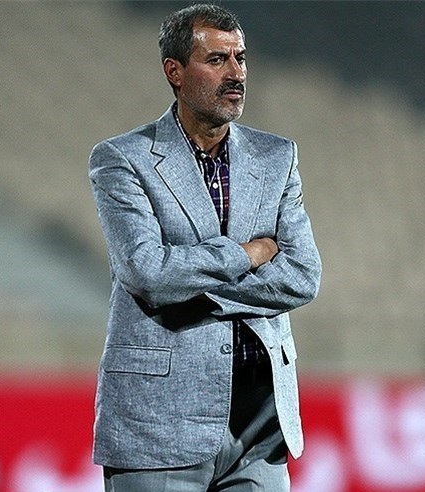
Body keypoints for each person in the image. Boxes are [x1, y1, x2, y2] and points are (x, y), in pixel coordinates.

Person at [88, 4, 321, 491]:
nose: (236, 73)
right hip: (158, 428)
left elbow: (302, 277)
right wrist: (246, 256)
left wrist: (187, 283)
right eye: (217, 60)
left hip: (260, 429)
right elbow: (148, 273)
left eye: (241, 58)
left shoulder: (276, 157)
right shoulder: (122, 159)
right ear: (174, 71)